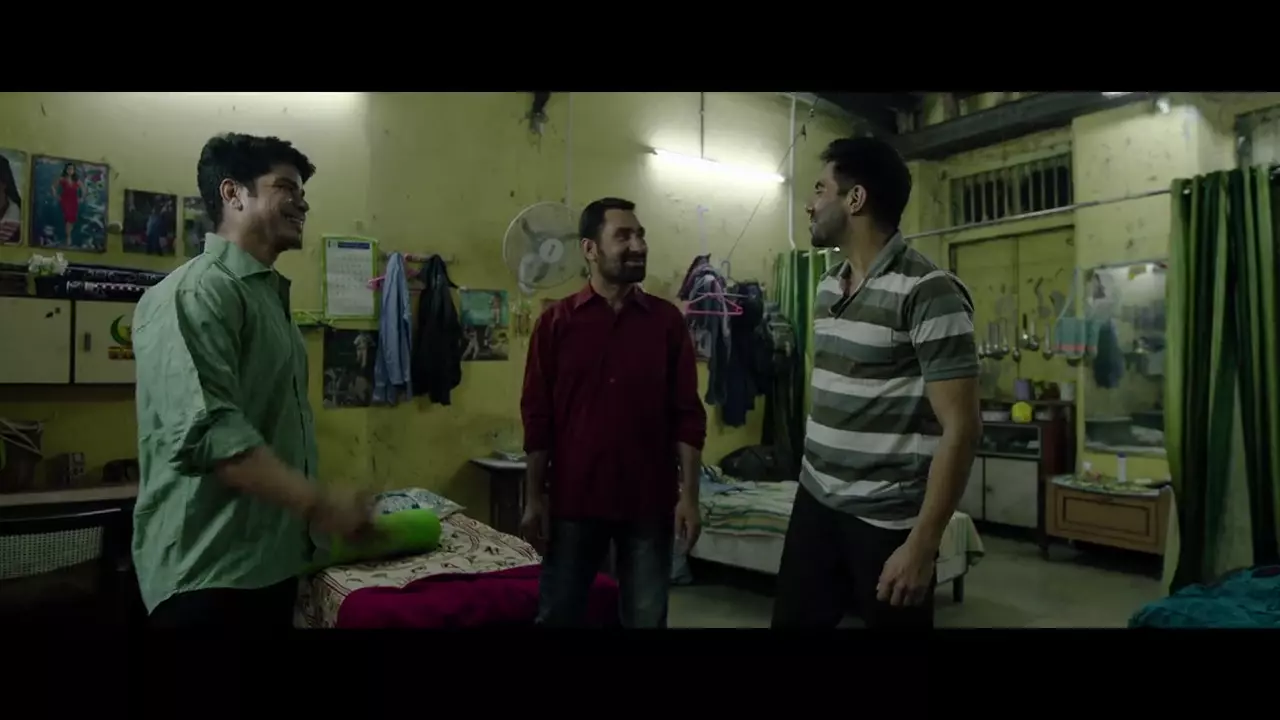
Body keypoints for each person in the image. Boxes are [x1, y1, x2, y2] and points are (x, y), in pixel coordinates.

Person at [131, 133, 372, 629]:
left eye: (303, 192)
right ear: (233, 194)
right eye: (286, 187)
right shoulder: (197, 292)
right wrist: (323, 504)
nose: (303, 202)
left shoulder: (265, 298)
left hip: (268, 565)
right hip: (208, 575)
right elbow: (213, 435)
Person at [771, 137, 982, 629]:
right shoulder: (828, 285)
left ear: (855, 199)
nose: (810, 204)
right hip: (815, 500)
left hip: (885, 519)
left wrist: (922, 546)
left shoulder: (929, 292)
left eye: (819, 189)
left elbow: (963, 428)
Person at [520, 196, 707, 628]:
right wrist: (534, 497)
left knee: (645, 618)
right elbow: (537, 416)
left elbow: (687, 414)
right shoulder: (556, 324)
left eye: (640, 235)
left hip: (648, 503)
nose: (638, 245)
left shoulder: (666, 324)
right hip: (573, 501)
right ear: (590, 249)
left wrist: (690, 498)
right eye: (623, 236)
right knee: (559, 615)